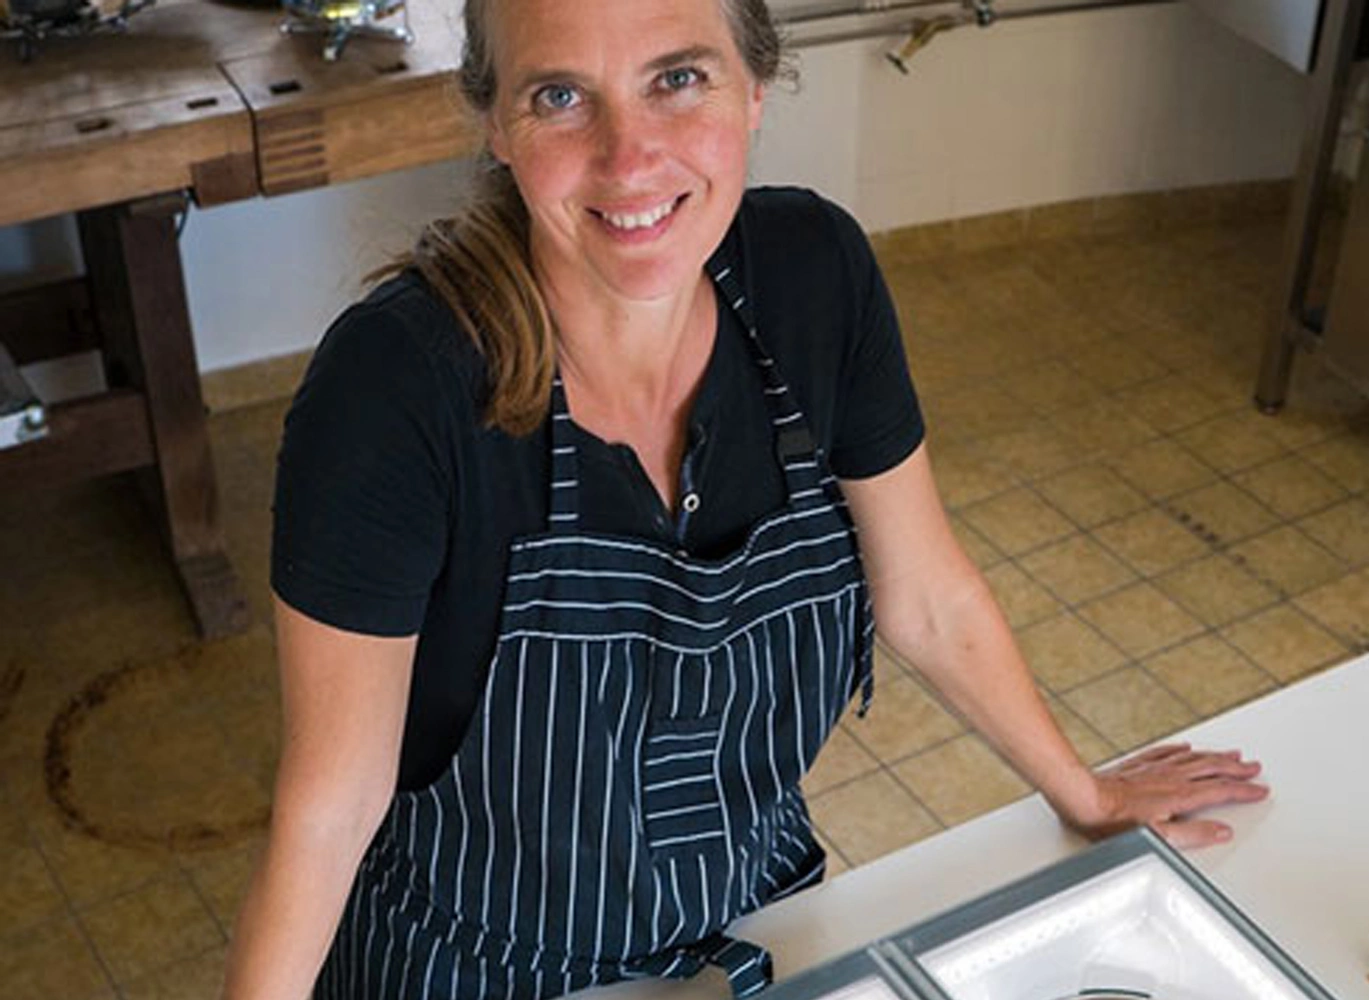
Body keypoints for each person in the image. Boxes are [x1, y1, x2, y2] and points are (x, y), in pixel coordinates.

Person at [222, 0, 1269, 996]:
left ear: (757, 86)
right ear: (496, 122)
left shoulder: (814, 280)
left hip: (759, 936)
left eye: (678, 79)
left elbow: (928, 599)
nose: (630, 158)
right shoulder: (396, 386)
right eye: (561, 97)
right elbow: (331, 806)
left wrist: (1087, 794)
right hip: (470, 970)